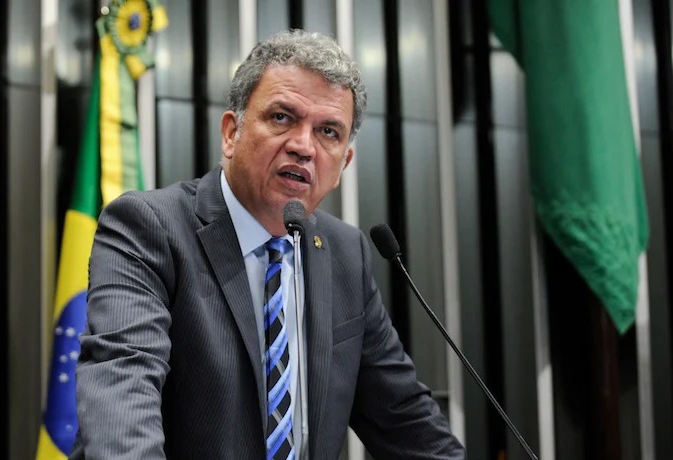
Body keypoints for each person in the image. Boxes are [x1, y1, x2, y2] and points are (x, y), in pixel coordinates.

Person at [71, 29, 465, 459]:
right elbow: (122, 404)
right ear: (231, 133)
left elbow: (406, 422)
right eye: (281, 118)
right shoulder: (148, 228)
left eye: (328, 132)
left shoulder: (345, 254)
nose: (303, 147)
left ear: (343, 164)